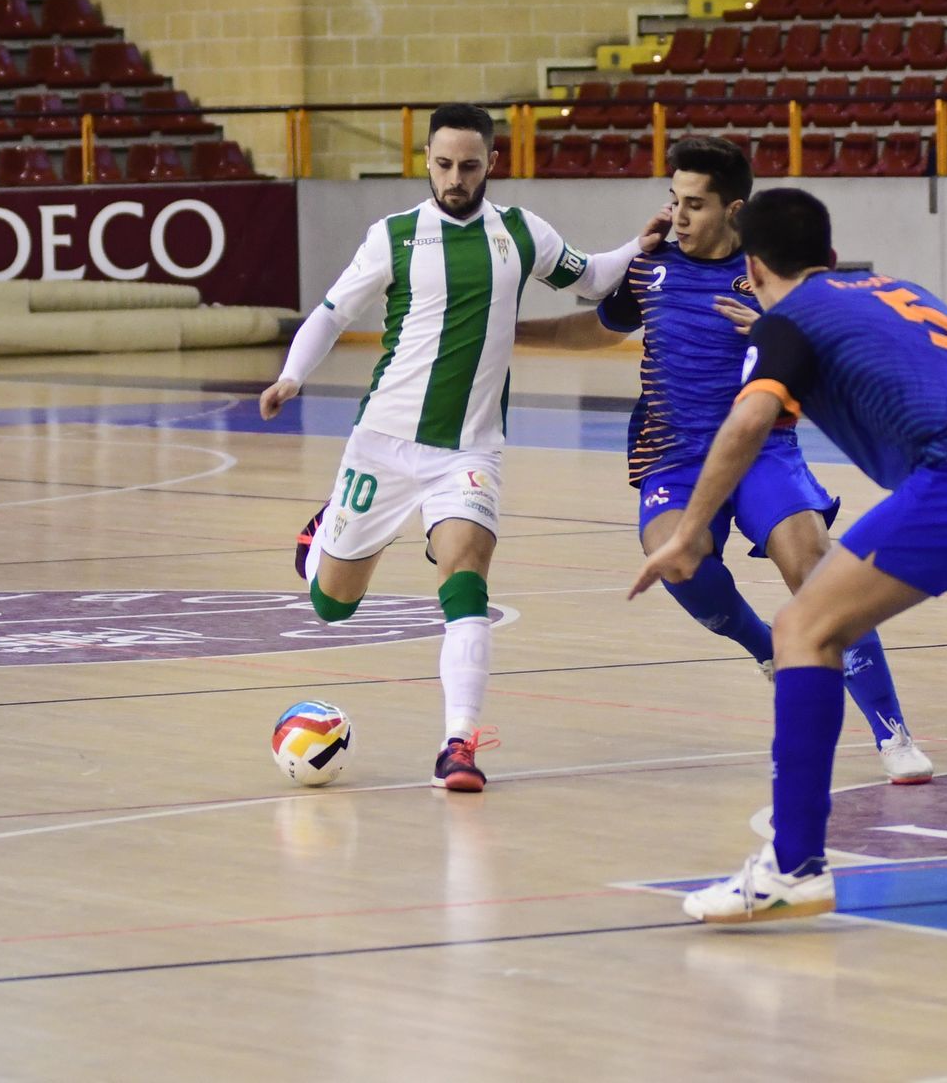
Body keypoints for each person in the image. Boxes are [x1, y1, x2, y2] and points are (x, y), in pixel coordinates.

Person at [633, 188, 947, 924]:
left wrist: (688, 531)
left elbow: (750, 415)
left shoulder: (786, 319)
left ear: (749, 268)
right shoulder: (897, 289)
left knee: (803, 630)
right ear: (833, 257)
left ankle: (794, 865)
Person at [259, 103, 666, 793]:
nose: (455, 178)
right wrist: (292, 375)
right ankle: (322, 535)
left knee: (467, 577)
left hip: (469, 453)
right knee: (333, 606)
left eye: (469, 166)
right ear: (426, 161)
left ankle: (458, 744)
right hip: (383, 445)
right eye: (443, 164)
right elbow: (331, 314)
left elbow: (595, 278)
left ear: (490, 164)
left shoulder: (518, 233)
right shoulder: (391, 236)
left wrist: (641, 242)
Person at [515, 136, 934, 785]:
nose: (679, 217)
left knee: (818, 573)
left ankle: (891, 730)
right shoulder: (648, 266)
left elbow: (832, 340)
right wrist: (510, 333)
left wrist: (770, 326)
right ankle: (764, 644)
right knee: (680, 563)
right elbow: (596, 328)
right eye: (674, 201)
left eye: (695, 205)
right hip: (674, 455)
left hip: (764, 449)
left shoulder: (771, 272)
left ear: (734, 210)